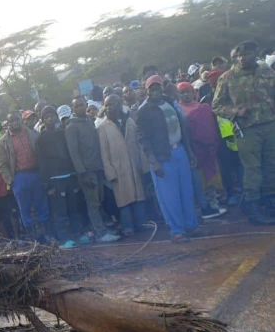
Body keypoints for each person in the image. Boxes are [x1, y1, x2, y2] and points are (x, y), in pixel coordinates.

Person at [212, 40, 275, 224]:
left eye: (246, 54)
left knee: (271, 165)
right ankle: (253, 207)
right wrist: (235, 112)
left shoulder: (266, 72)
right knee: (252, 169)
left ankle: (271, 201)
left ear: (255, 53)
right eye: (239, 54)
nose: (242, 58)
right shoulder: (228, 77)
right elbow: (216, 105)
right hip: (247, 129)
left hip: (270, 124)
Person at [135, 76, 199, 242]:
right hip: (162, 157)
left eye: (158, 87)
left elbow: (182, 127)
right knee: (169, 197)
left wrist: (189, 151)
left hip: (180, 151)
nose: (155, 91)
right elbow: (143, 138)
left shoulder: (171, 102)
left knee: (186, 192)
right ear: (146, 89)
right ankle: (176, 230)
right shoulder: (144, 110)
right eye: (151, 88)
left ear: (162, 87)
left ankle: (191, 226)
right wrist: (154, 161)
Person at [66, 96, 120, 243]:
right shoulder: (71, 127)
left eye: (82, 105)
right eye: (77, 106)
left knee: (100, 199)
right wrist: (82, 173)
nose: (81, 108)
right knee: (93, 203)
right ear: (73, 109)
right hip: (87, 171)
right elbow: (74, 152)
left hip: (97, 167)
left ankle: (102, 227)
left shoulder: (90, 122)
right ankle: (101, 233)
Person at [0, 111, 52, 242]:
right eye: (11, 121)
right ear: (7, 124)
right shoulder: (3, 142)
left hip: (36, 173)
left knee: (41, 205)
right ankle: (34, 239)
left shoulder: (32, 133)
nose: (15, 123)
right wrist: (11, 181)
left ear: (21, 120)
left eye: (17, 120)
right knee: (24, 209)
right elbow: (2, 164)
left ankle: (47, 235)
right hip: (19, 177)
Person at [97, 95, 147, 236]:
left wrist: (143, 165)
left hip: (134, 165)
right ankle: (127, 226)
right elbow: (104, 153)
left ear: (120, 105)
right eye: (106, 105)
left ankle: (140, 223)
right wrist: (110, 172)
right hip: (118, 169)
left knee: (138, 196)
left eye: (111, 104)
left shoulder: (130, 121)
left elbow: (139, 144)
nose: (108, 108)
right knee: (123, 200)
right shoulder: (103, 128)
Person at [177, 82, 226, 218]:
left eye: (188, 91)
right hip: (193, 151)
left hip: (209, 150)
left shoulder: (203, 107)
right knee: (197, 179)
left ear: (194, 93)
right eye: (182, 92)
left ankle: (213, 202)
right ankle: (202, 206)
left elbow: (211, 127)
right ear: (178, 95)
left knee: (211, 175)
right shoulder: (177, 110)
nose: (186, 95)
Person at [38, 106, 82, 249]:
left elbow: (70, 153)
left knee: (73, 208)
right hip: (54, 180)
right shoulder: (41, 139)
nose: (50, 119)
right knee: (60, 211)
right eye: (47, 117)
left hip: (69, 176)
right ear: (43, 120)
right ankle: (64, 239)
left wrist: (75, 176)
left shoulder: (63, 133)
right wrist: (48, 185)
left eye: (52, 116)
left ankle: (79, 234)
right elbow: (42, 162)